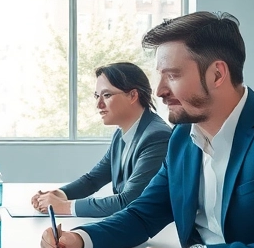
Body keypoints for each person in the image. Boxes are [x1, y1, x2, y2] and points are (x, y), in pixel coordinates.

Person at [39, 11, 254, 248]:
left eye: (172, 75)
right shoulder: (183, 137)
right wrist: (78, 238)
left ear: (217, 75)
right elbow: (143, 215)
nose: (158, 91)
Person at [30, 62, 169, 218]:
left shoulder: (157, 137)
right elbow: (93, 179)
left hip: (158, 235)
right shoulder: (122, 133)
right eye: (97, 96)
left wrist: (63, 206)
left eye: (107, 95)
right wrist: (59, 194)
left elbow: (129, 201)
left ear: (133, 96)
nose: (98, 104)